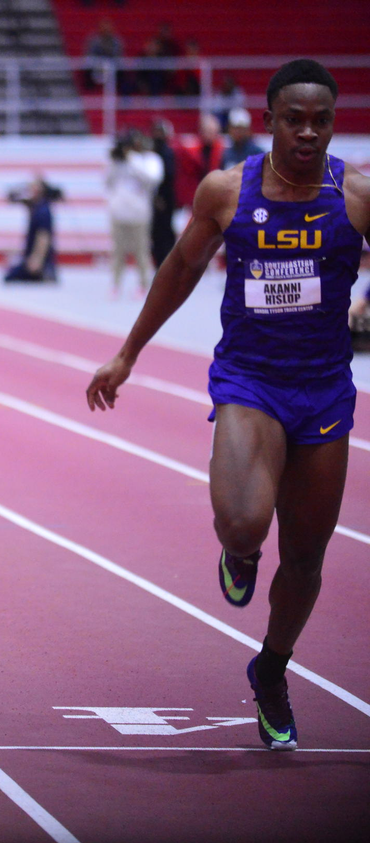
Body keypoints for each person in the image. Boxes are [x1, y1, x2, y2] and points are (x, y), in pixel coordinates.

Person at [86, 60, 369, 751]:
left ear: (334, 123)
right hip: (249, 379)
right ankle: (238, 553)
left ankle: (270, 668)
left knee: (304, 558)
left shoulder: (357, 195)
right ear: (267, 120)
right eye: (293, 119)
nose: (307, 132)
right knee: (245, 525)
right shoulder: (226, 190)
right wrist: (128, 353)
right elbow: (180, 267)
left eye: (321, 120)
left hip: (325, 387)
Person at [105, 130, 163, 298]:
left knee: (141, 251)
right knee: (117, 252)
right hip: (119, 213)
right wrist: (116, 161)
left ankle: (144, 285)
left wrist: (132, 160)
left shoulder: (149, 160)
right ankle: (115, 284)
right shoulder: (118, 162)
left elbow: (152, 179)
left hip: (139, 214)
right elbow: (108, 182)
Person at [3, 176, 59, 283]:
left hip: (39, 261)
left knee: (11, 276)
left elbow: (44, 237)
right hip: (32, 256)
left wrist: (37, 260)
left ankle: (43, 272)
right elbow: (12, 198)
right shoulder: (35, 206)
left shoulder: (43, 211)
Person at [149, 116, 177, 267]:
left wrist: (161, 197)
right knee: (155, 232)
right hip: (154, 197)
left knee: (166, 231)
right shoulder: (152, 152)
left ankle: (167, 263)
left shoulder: (168, 152)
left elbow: (169, 176)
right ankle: (158, 262)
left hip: (166, 198)